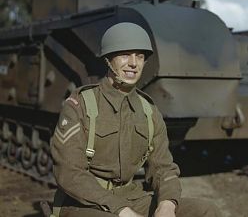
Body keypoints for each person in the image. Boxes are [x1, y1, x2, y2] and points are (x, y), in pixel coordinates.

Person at [51, 22, 221, 217]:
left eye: (139, 56)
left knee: (207, 211)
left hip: (131, 197)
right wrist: (120, 210)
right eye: (125, 55)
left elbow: (163, 167)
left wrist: (167, 204)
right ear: (108, 59)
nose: (133, 63)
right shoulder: (80, 104)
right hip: (84, 202)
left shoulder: (148, 110)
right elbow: (69, 173)